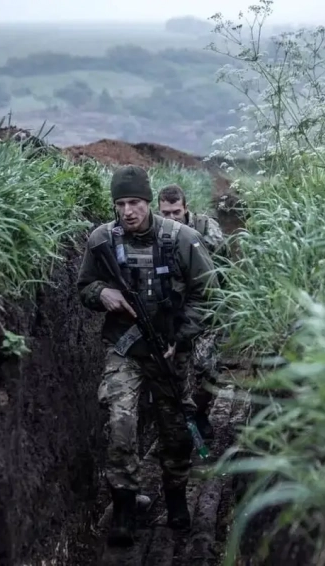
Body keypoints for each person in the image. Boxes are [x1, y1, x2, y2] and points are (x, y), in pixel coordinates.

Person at [77, 165, 217, 547]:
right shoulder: (102, 239)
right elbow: (85, 286)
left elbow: (210, 295)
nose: (127, 211)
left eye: (134, 202)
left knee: (175, 428)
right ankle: (123, 505)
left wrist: (180, 335)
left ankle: (175, 495)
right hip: (124, 347)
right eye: (120, 204)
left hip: (170, 351)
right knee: (121, 421)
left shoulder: (183, 239)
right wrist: (102, 294)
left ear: (149, 201)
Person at [157, 183, 225, 441]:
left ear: (186, 209)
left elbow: (216, 258)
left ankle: (200, 413)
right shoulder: (157, 234)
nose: (172, 218)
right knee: (178, 371)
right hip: (177, 313)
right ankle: (180, 421)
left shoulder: (206, 227)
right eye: (166, 213)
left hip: (208, 307)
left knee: (207, 368)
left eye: (176, 212)